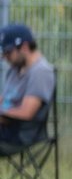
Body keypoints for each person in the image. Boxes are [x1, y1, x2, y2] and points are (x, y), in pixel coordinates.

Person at [0, 23, 56, 156]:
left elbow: (26, 113)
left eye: (8, 52)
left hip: (18, 135)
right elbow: (4, 100)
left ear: (24, 47)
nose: (5, 58)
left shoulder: (41, 72)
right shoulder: (15, 68)